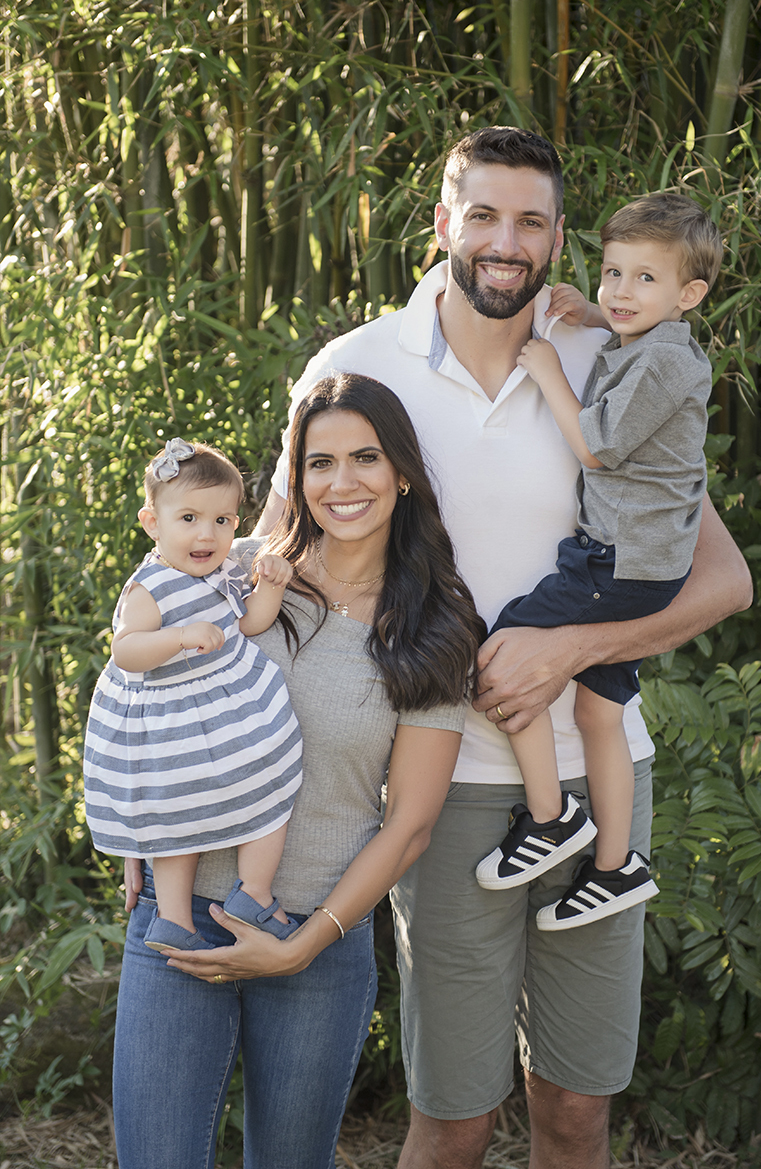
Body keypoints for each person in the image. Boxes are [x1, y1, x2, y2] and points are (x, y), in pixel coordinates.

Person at [250, 127, 751, 1169]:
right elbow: (272, 566)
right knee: (452, 1123)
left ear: (559, 241)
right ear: (444, 224)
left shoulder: (610, 360)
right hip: (435, 789)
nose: (505, 241)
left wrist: (569, 651)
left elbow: (721, 579)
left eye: (531, 222)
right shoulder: (355, 368)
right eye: (482, 215)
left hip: (598, 780)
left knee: (574, 1114)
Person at [114, 374, 485, 1169]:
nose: (342, 482)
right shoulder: (233, 570)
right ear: (297, 477)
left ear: (402, 472)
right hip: (179, 919)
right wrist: (140, 829)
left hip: (313, 936)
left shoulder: (436, 624)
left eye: (365, 458)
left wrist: (304, 945)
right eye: (320, 463)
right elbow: (141, 697)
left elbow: (411, 823)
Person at [475, 195, 724, 934]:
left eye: (644, 279)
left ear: (689, 295)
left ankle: (551, 816)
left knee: (503, 652)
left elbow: (597, 446)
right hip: (648, 563)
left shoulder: (664, 361)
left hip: (617, 562)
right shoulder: (656, 340)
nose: (620, 291)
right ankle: (618, 866)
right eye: (613, 272)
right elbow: (624, 329)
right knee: (599, 712)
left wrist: (548, 369)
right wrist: (592, 314)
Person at [83, 438, 303, 952]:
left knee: (270, 783)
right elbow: (126, 650)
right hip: (172, 729)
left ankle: (254, 892)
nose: (207, 534)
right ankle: (174, 919)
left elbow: (250, 622)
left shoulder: (224, 571)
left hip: (228, 719)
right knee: (174, 825)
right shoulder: (150, 587)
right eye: (188, 519)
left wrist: (271, 584)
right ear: (152, 523)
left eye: (222, 521)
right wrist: (179, 637)